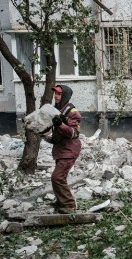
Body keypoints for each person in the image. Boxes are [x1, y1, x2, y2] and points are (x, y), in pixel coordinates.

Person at [46, 85, 81, 214]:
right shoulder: (56, 110)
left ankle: (69, 205)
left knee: (57, 177)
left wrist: (60, 124)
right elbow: (55, 134)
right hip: (61, 150)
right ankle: (61, 202)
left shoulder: (72, 112)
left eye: (59, 94)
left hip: (69, 150)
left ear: (65, 96)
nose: (56, 96)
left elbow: (73, 133)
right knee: (60, 177)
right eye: (55, 93)